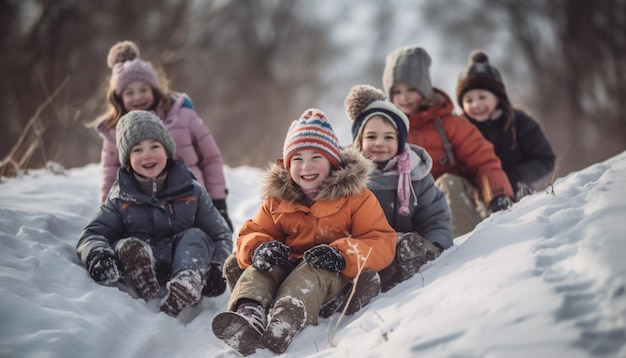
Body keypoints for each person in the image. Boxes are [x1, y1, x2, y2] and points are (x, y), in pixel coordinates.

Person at [211, 108, 396, 355]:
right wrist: (260, 247)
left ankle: (285, 319)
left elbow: (380, 239)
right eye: (297, 159)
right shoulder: (277, 200)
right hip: (290, 265)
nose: (306, 166)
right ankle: (249, 313)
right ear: (288, 165)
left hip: (331, 273)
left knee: (313, 271)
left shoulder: (356, 197)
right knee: (259, 267)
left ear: (332, 162)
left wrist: (342, 255)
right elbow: (252, 232)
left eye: (315, 157)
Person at [76, 110, 233, 317]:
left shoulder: (192, 191)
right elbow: (92, 234)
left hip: (182, 257)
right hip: (145, 256)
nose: (147, 155)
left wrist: (216, 267)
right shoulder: (121, 198)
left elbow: (220, 234)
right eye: (137, 150)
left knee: (196, 236)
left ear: (168, 151)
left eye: (155, 146)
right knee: (125, 245)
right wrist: (98, 255)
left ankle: (187, 282)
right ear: (127, 159)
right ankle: (140, 274)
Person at [92, 40, 233, 230]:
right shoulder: (116, 130)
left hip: (191, 204)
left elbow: (211, 158)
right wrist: (108, 211)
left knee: (195, 243)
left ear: (155, 90)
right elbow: (110, 173)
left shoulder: (183, 116)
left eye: (143, 89)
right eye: (129, 93)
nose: (137, 97)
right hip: (143, 214)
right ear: (119, 98)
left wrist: (218, 202)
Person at [383, 45, 514, 237]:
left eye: (411, 89)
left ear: (424, 89)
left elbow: (483, 160)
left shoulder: (450, 125)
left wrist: (498, 195)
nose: (403, 97)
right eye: (397, 91)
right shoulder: (387, 130)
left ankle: (460, 249)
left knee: (448, 183)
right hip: (414, 209)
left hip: (458, 203)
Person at [345, 84, 453, 293]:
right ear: (358, 140)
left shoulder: (417, 176)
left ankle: (409, 275)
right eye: (371, 137)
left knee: (408, 244)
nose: (379, 143)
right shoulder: (347, 177)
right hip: (366, 251)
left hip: (407, 252)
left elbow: (435, 219)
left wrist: (436, 245)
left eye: (388, 137)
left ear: (401, 140)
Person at [456, 50, 556, 201]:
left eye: (482, 97)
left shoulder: (519, 122)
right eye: (469, 100)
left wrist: (514, 176)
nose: (476, 104)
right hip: (475, 196)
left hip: (515, 190)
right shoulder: (459, 129)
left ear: (498, 97)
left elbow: (545, 159)